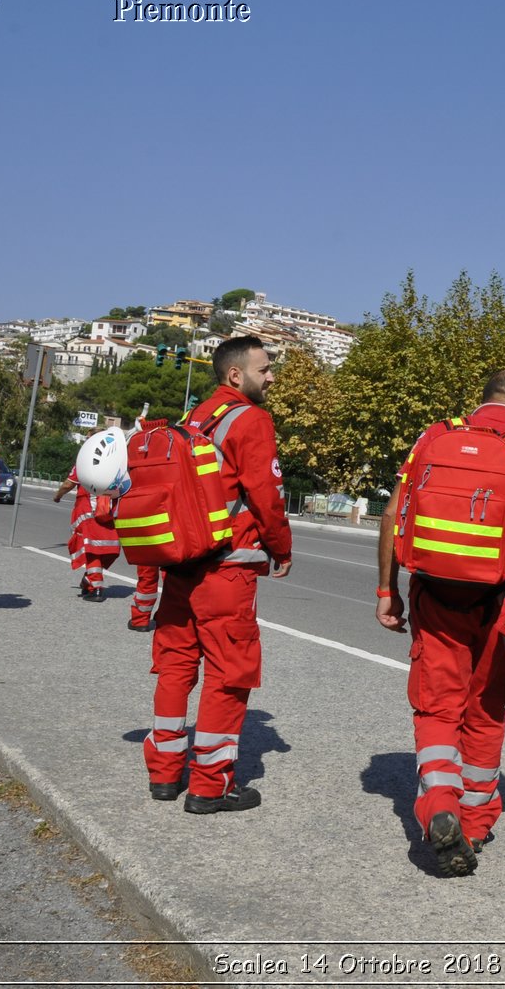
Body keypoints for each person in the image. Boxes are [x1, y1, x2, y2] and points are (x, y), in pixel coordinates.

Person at [376, 369, 505, 876]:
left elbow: (392, 516)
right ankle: (473, 822)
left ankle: (439, 802)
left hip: (436, 594)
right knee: (486, 709)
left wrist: (387, 591)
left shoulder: (435, 436)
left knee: (436, 709)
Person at [142, 336, 292, 813]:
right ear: (236, 375)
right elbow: (265, 494)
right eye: (264, 369)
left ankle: (164, 775)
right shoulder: (251, 419)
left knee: (175, 666)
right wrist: (280, 549)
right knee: (229, 675)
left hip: (181, 565)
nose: (271, 377)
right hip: (226, 569)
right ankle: (211, 785)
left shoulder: (195, 417)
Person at [54, 469, 121, 602]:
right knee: (107, 549)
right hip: (109, 511)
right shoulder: (117, 461)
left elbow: (69, 483)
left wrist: (58, 496)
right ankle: (88, 580)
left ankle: (96, 588)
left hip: (89, 512)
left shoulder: (86, 459)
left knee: (91, 550)